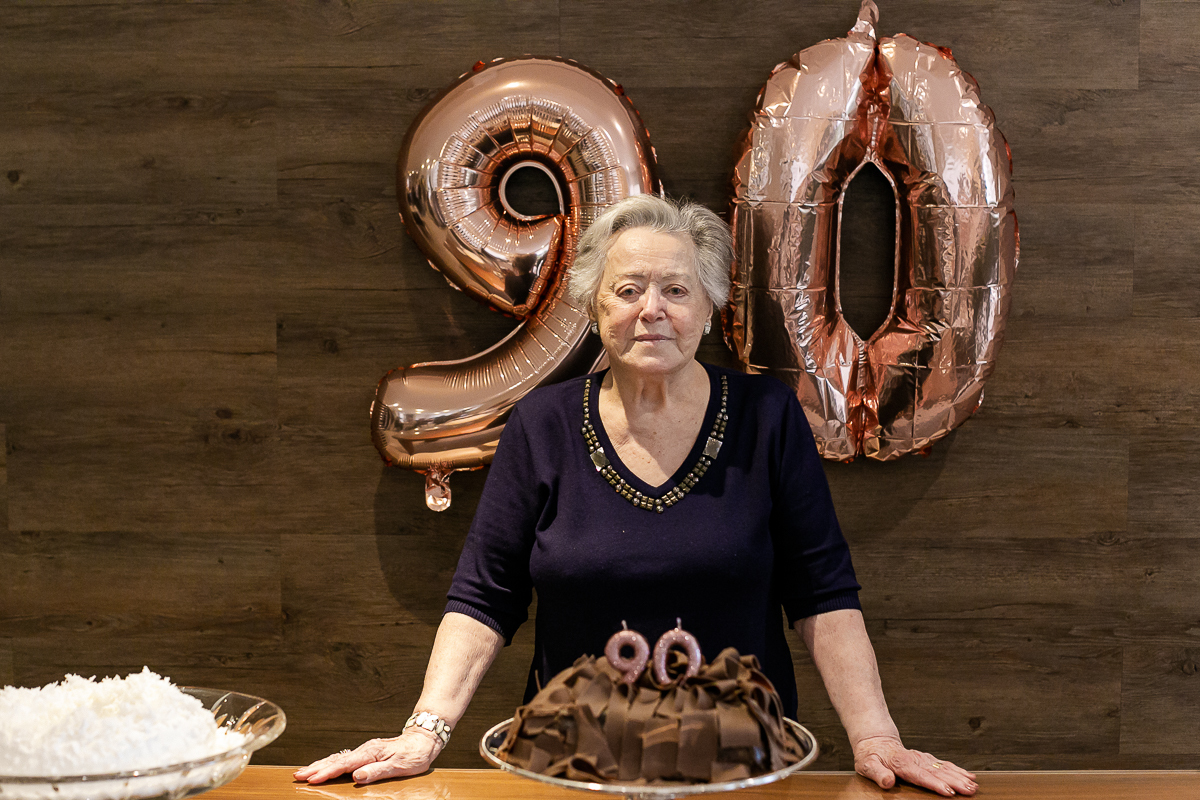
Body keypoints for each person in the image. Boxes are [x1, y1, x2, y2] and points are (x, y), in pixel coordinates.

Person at [295, 195, 977, 797]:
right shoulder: (544, 424)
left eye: (676, 290)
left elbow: (823, 594)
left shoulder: (768, 417)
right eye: (628, 290)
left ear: (708, 308)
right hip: (567, 769)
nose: (652, 309)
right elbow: (483, 597)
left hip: (741, 768)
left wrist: (876, 738)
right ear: (596, 309)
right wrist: (423, 733)